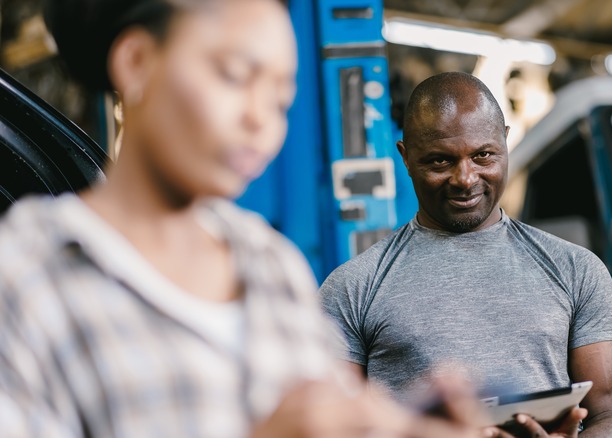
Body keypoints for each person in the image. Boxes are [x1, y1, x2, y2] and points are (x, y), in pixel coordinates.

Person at [0, 1, 495, 437]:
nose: (262, 119)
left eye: (280, 99)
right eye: (236, 76)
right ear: (137, 62)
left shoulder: (272, 267)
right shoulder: (28, 275)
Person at [320, 72, 612, 437]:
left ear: (505, 138)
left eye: (483, 155)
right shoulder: (352, 289)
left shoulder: (577, 271)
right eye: (440, 162)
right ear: (406, 157)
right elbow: (328, 427)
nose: (465, 178)